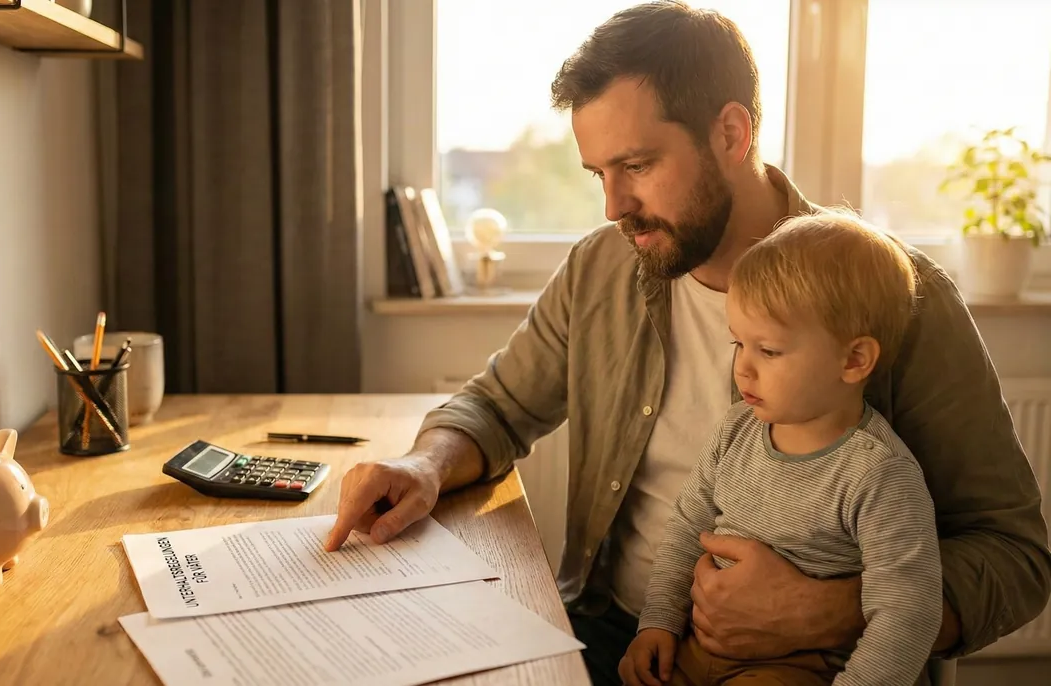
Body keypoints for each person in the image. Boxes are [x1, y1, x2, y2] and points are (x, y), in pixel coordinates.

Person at [324, 2, 1051, 685]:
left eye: (636, 167)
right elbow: (498, 407)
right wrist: (423, 465)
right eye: (599, 175)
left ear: (730, 134)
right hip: (620, 635)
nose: (613, 208)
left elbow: (1018, 559)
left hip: (820, 662)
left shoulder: (903, 297)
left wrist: (829, 607)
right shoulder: (601, 267)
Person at [621, 213, 942, 686]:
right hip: (695, 647)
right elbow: (686, 528)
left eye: (768, 351)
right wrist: (658, 622)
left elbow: (907, 613)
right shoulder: (736, 431)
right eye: (738, 343)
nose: (743, 369)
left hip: (794, 667)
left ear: (854, 360)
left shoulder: (878, 473)